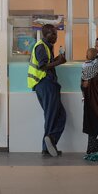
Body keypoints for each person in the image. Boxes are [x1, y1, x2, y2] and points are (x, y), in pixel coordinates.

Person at [27, 24, 67, 157]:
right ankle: (47, 146)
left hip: (48, 83)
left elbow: (47, 63)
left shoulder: (47, 47)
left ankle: (50, 142)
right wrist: (58, 62)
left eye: (56, 34)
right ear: (46, 34)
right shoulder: (41, 46)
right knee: (51, 116)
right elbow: (43, 66)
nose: (56, 37)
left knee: (60, 115)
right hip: (44, 83)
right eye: (53, 34)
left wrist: (57, 59)